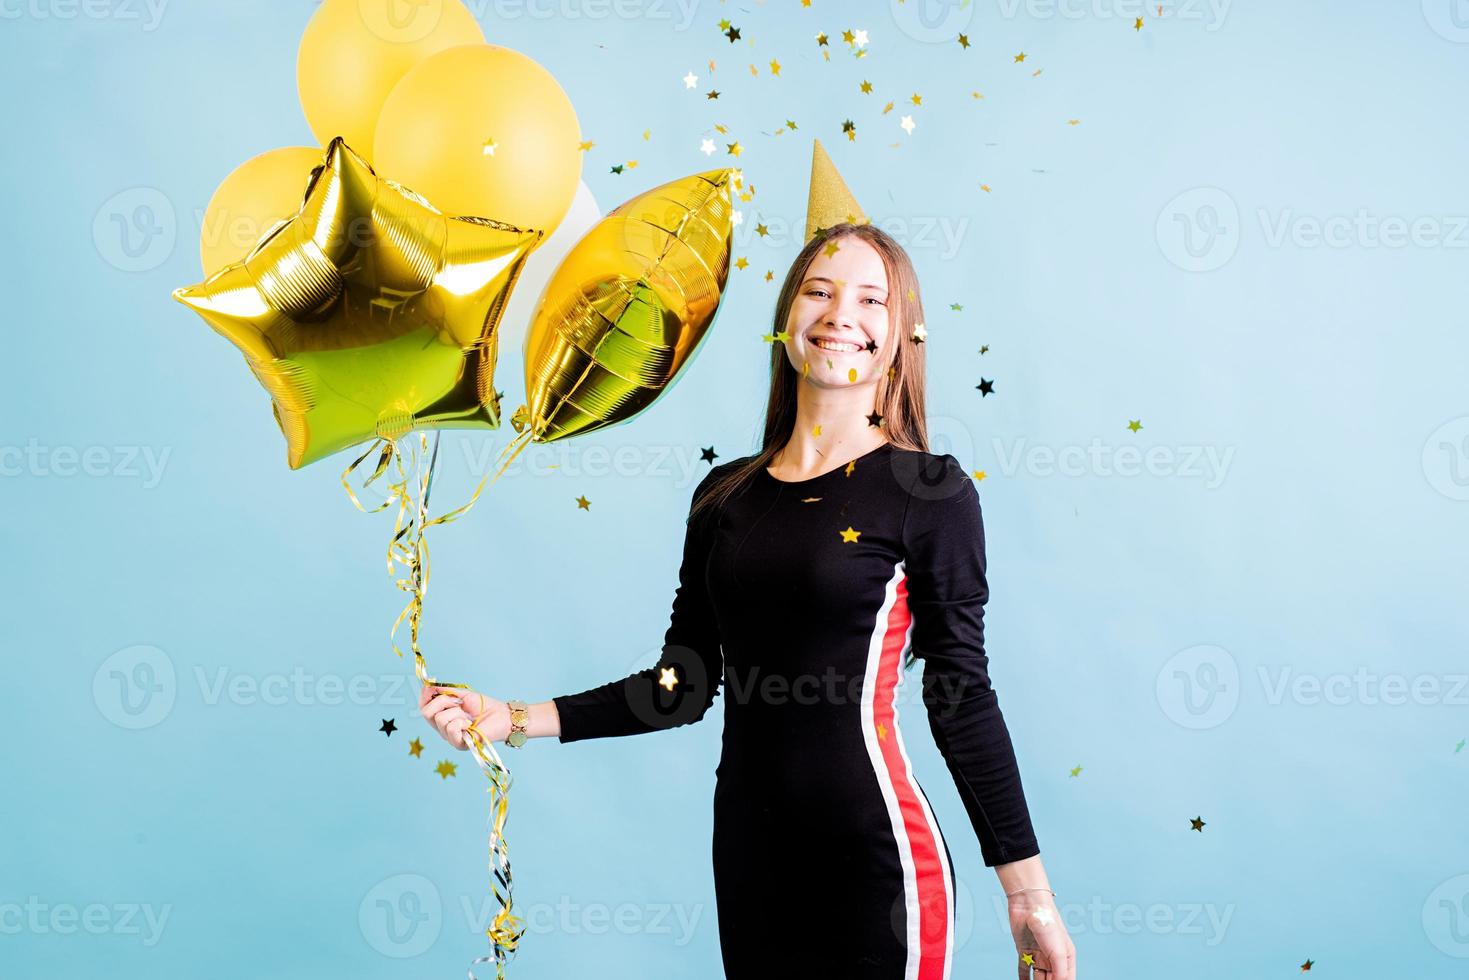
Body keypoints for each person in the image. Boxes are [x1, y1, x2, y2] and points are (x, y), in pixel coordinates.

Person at [420, 143, 1076, 980]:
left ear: (900, 333)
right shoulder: (722, 498)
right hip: (751, 861)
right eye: (819, 289)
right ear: (786, 316)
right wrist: (510, 717)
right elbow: (683, 685)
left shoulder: (928, 492)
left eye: (870, 297)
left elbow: (960, 697)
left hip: (876, 862)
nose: (842, 312)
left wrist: (1029, 899)